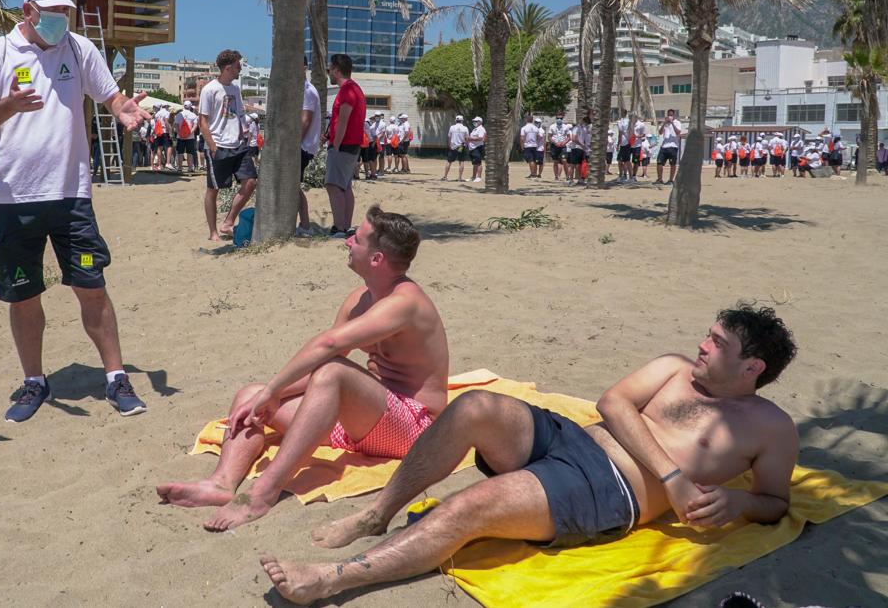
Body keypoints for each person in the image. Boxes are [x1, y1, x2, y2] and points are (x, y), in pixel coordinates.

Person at [262, 303, 800, 605]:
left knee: (470, 507)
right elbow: (612, 404)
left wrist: (740, 503)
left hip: (606, 492)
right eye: (706, 336)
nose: (702, 346)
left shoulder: (770, 428)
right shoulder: (674, 368)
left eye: (716, 344)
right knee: (473, 406)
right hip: (572, 437)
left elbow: (774, 501)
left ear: (752, 368)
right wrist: (675, 476)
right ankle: (379, 513)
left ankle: (332, 579)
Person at [157, 206, 449, 531]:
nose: (347, 242)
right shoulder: (359, 299)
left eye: (357, 238)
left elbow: (328, 348)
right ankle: (221, 484)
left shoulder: (404, 303)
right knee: (249, 395)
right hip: (363, 425)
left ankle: (263, 493)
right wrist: (266, 396)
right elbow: (321, 364)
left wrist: (275, 390)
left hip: (414, 430)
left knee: (331, 372)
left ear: (377, 259)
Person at [0, 0, 152, 423]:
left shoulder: (80, 48)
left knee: (92, 287)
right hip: (13, 198)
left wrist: (122, 108)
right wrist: (8, 106)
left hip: (71, 195)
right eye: (52, 11)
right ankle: (34, 382)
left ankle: (116, 377)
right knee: (23, 294)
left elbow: (111, 95)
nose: (60, 18)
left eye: (65, 10)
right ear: (28, 11)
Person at [198, 49, 255, 241]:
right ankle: (213, 232)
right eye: (238, 66)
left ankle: (229, 221)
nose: (240, 70)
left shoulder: (235, 89)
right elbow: (203, 121)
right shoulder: (209, 89)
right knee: (213, 189)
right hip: (218, 145)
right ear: (228, 68)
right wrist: (212, 146)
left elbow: (239, 114)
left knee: (251, 182)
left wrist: (244, 134)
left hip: (238, 144)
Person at [324, 54, 367, 239]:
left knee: (334, 186)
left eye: (329, 69)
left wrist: (336, 144)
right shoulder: (354, 88)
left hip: (344, 145)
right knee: (344, 186)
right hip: (351, 144)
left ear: (337, 69)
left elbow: (343, 121)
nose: (328, 74)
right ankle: (345, 226)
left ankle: (340, 227)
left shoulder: (348, 90)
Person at [297, 58, 321, 237]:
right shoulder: (300, 89)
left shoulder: (307, 91)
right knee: (293, 186)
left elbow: (305, 120)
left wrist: (294, 144)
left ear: (305, 66)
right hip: (302, 145)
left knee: (293, 187)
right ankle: (304, 225)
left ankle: (305, 225)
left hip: (302, 146)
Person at [655, 110, 681, 184]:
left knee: (672, 164)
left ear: (674, 116)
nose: (670, 116)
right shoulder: (665, 124)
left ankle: (671, 180)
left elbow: (678, 132)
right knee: (659, 162)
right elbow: (660, 132)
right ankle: (660, 179)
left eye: (671, 115)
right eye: (669, 115)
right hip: (664, 146)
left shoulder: (677, 123)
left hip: (673, 146)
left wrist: (672, 123)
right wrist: (664, 123)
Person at [442, 115, 469, 182]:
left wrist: (449, 145)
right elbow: (467, 138)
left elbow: (449, 137)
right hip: (461, 147)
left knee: (449, 161)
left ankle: (445, 176)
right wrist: (466, 144)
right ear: (462, 120)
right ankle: (459, 178)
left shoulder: (452, 127)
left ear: (456, 120)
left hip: (453, 146)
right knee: (461, 161)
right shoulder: (465, 128)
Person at [175, 100, 199, 173]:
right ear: (190, 106)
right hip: (190, 137)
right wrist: (189, 133)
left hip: (180, 137)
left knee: (180, 153)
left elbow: (176, 125)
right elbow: (195, 126)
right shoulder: (193, 115)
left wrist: (179, 133)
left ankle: (179, 168)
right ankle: (190, 168)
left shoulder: (179, 114)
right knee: (190, 153)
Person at [566, 115, 590, 186]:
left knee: (577, 165)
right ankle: (571, 180)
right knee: (573, 165)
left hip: (580, 148)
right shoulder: (577, 128)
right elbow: (573, 138)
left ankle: (578, 179)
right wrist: (581, 144)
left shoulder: (583, 128)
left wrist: (583, 145)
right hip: (576, 148)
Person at [547, 114, 570, 181]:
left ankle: (567, 177)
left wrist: (564, 142)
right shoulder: (552, 126)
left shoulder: (566, 127)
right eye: (557, 118)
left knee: (564, 160)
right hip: (554, 146)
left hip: (563, 146)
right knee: (555, 161)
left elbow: (569, 137)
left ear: (562, 118)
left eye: (561, 118)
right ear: (555, 118)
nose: (559, 119)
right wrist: (555, 142)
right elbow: (549, 137)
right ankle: (556, 176)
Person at [467, 115, 486, 183]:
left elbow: (481, 138)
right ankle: (473, 177)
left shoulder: (481, 129)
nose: (474, 122)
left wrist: (470, 138)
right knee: (475, 163)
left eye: (476, 121)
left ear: (480, 122)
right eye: (474, 121)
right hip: (472, 148)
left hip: (477, 148)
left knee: (478, 163)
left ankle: (479, 177)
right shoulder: (475, 129)